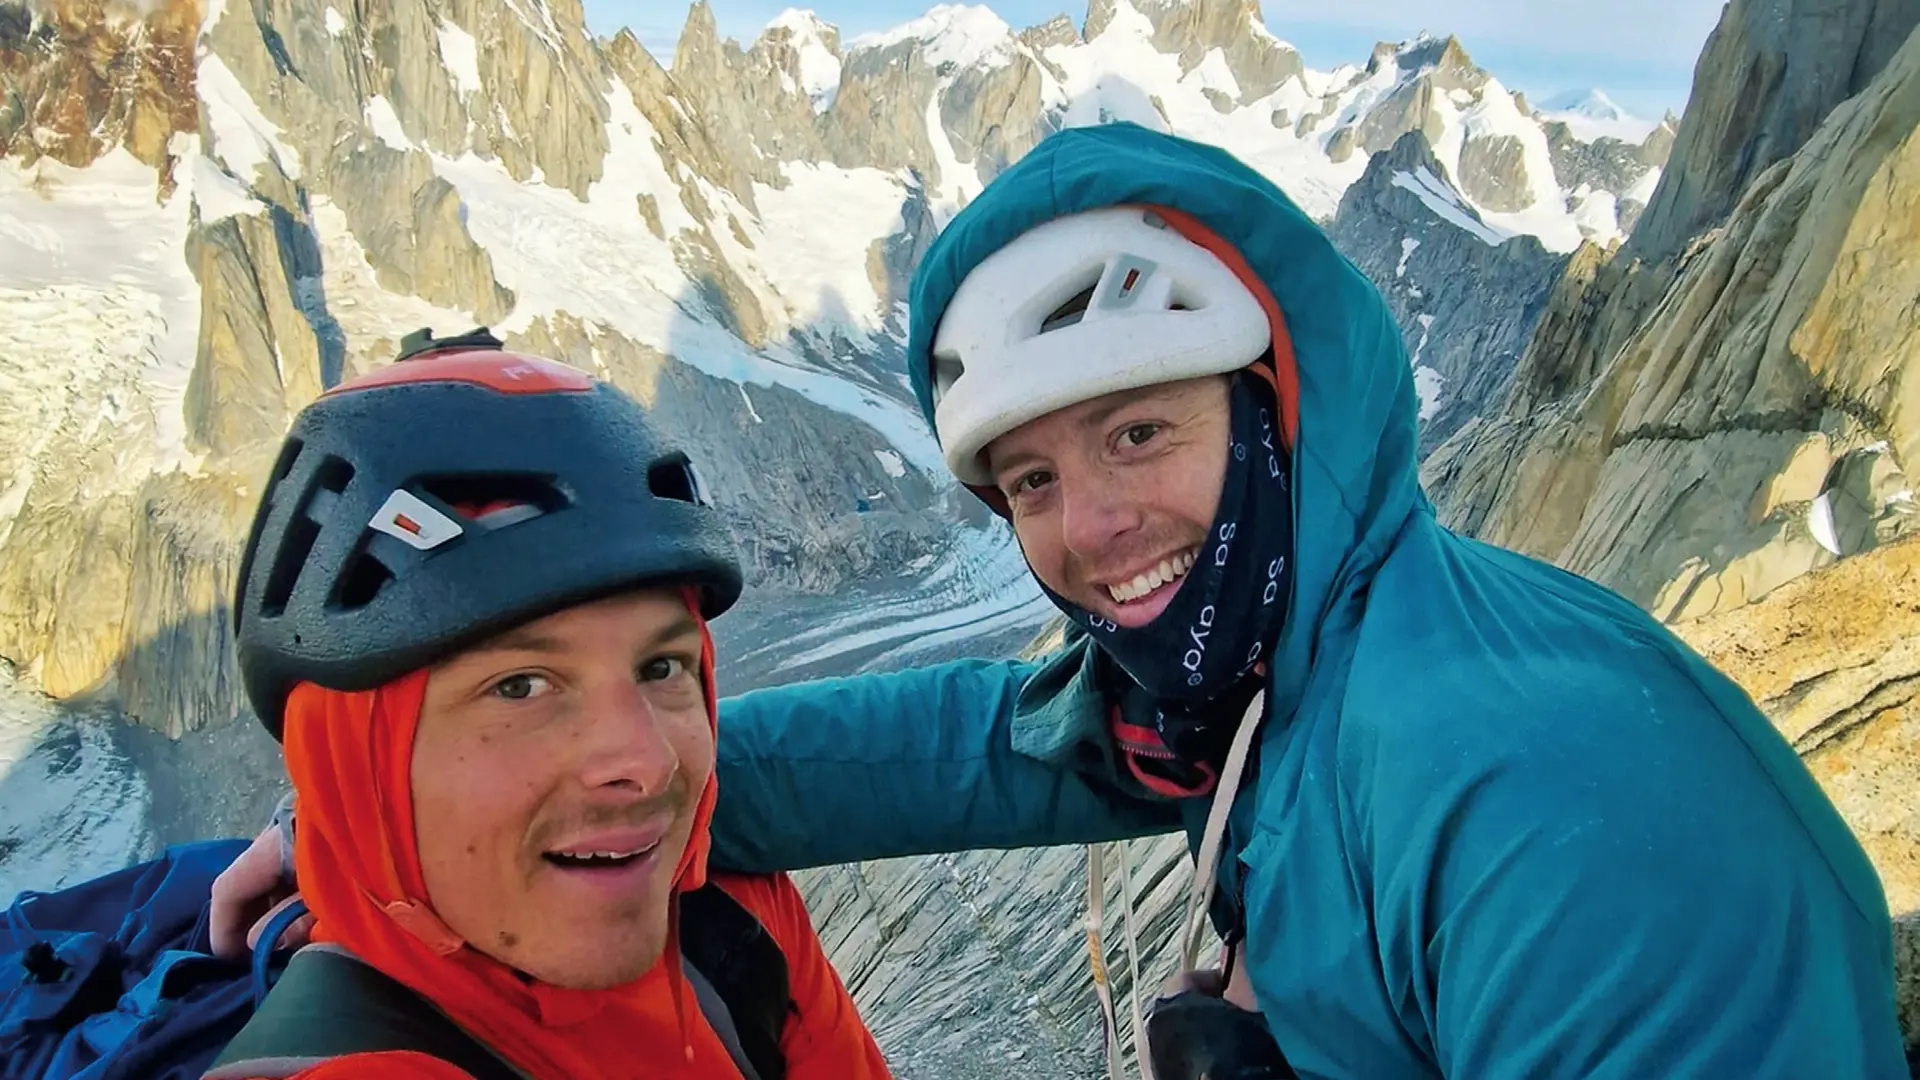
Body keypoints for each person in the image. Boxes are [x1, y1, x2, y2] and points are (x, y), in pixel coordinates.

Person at [215, 124, 1910, 1078]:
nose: (1094, 528)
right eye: (1027, 479)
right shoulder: (1255, 688)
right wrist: (401, 813)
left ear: (1277, 411)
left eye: (1139, 432)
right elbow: (956, 742)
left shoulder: (1545, 803)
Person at [204, 329, 890, 1080]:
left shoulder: (731, 919)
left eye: (662, 666)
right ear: (351, 768)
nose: (647, 763)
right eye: (521, 686)